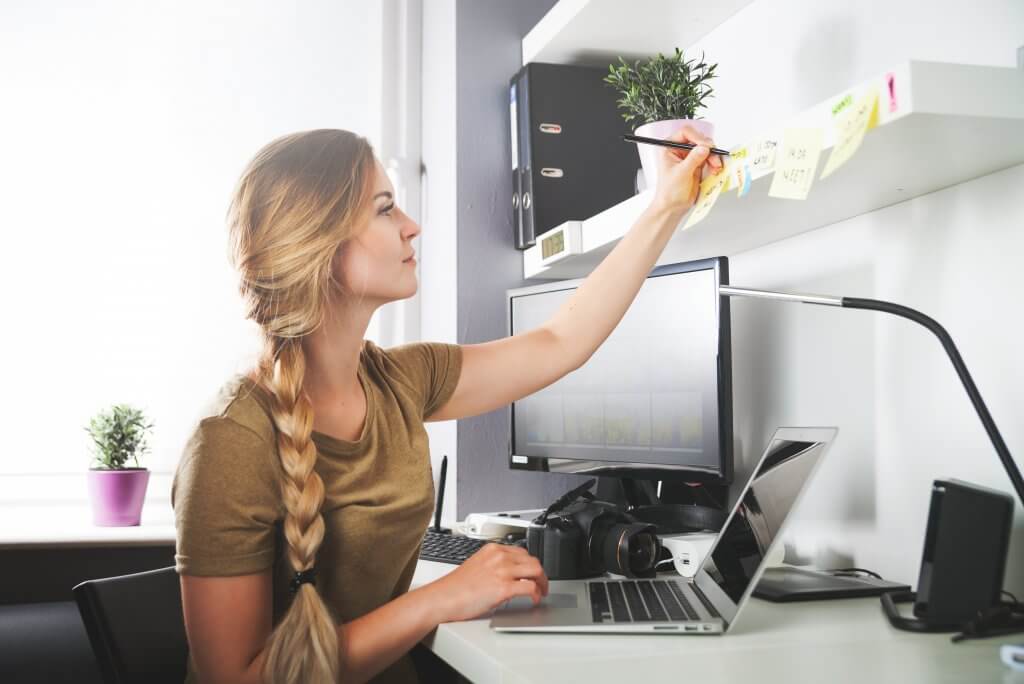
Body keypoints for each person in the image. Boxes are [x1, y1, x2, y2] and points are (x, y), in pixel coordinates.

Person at [171, 126, 722, 684]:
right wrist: (438, 600)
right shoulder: (229, 440)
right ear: (321, 244)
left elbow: (563, 342)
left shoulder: (400, 379)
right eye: (386, 209)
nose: (413, 226)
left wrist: (665, 207)